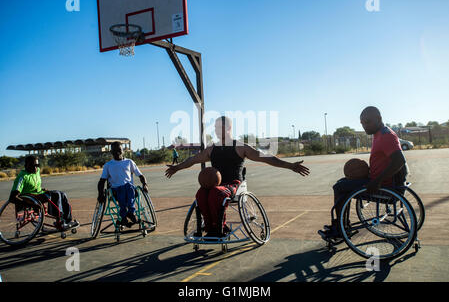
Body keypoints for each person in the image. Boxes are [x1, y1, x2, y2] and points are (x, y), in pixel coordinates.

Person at [165, 116, 310, 237]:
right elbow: (193, 160)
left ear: (228, 128)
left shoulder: (240, 147)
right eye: (215, 128)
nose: (216, 130)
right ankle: (210, 228)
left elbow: (266, 157)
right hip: (217, 185)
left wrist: (291, 166)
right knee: (201, 193)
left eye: (219, 127)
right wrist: (176, 168)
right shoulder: (212, 149)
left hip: (235, 184)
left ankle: (219, 228)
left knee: (216, 193)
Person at [318, 106, 408, 240]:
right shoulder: (379, 133)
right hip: (379, 181)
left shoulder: (386, 136)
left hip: (383, 187)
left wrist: (377, 181)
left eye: (368, 122)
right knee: (343, 183)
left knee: (339, 187)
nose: (365, 126)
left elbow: (399, 160)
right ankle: (343, 225)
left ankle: (341, 229)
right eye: (362, 123)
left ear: (379, 119)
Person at [9, 155, 79, 230]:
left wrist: (41, 189)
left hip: (39, 193)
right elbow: (13, 198)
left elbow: (32, 185)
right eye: (33, 165)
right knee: (56, 195)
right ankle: (59, 221)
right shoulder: (22, 177)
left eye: (37, 165)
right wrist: (32, 205)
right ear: (26, 165)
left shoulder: (37, 171)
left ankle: (67, 220)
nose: (35, 167)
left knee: (62, 194)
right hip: (31, 197)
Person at [97, 142, 149, 227]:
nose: (117, 152)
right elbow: (102, 181)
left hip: (129, 189)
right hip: (115, 191)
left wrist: (145, 184)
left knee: (128, 186)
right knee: (123, 188)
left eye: (119, 150)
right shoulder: (108, 165)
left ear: (123, 151)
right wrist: (100, 194)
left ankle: (127, 214)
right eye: (115, 151)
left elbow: (140, 175)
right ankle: (128, 214)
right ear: (111, 152)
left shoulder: (129, 162)